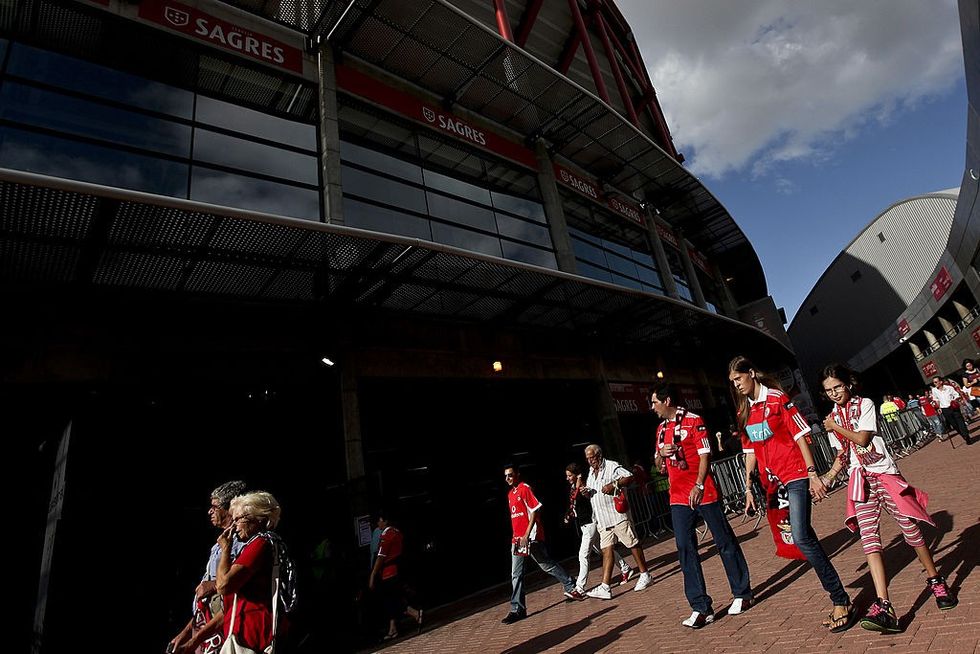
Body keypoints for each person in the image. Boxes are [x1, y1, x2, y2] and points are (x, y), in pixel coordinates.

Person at [819, 363, 956, 632]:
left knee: (910, 528)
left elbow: (862, 439)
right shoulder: (832, 416)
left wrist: (834, 426)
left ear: (848, 384)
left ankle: (936, 580)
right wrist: (826, 479)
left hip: (883, 473)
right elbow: (843, 454)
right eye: (828, 390)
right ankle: (884, 605)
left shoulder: (865, 405)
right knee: (869, 539)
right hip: (861, 480)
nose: (834, 393)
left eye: (837, 387)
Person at [729, 355, 854, 632]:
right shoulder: (743, 411)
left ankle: (840, 600)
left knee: (801, 536)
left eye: (738, 378)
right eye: (732, 381)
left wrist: (812, 474)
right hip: (772, 484)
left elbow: (800, 435)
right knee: (803, 537)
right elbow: (749, 451)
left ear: (751, 373)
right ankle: (840, 598)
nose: (736, 384)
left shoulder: (777, 398)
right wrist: (748, 488)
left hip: (795, 474)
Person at [651, 384, 752, 629]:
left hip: (703, 492)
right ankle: (700, 607)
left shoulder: (694, 421)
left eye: (654, 402)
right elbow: (657, 463)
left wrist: (698, 485)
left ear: (667, 401)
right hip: (678, 497)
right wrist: (661, 454)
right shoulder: (661, 429)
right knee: (685, 548)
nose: (652, 407)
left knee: (723, 540)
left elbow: (705, 455)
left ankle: (742, 593)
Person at [168, 480, 247, 654]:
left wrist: (193, 641)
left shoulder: (243, 544)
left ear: (230, 509)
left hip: (224, 633)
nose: (210, 511)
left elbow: (231, 600)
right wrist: (185, 634)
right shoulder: (219, 545)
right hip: (206, 629)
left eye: (215, 507)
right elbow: (204, 601)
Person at [501, 464, 584, 624]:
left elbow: (534, 510)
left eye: (510, 475)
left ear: (517, 474)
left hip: (530, 538)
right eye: (506, 476)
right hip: (517, 540)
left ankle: (570, 584)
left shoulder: (525, 489)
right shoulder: (510, 494)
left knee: (546, 565)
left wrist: (527, 534)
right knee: (516, 574)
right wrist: (518, 537)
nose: (508, 478)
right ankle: (517, 609)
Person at [217, 491, 296, 653]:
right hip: (250, 632)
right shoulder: (265, 543)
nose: (234, 526)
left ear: (258, 518)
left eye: (238, 519)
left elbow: (223, 585)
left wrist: (225, 549)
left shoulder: (260, 544)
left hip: (252, 635)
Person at [583, 444, 654, 599]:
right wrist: (586, 492)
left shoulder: (611, 466)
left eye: (592, 458)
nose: (590, 461)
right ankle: (605, 586)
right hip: (602, 519)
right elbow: (593, 492)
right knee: (606, 550)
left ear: (599, 455)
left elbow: (629, 477)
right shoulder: (591, 472)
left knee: (632, 543)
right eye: (587, 459)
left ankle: (645, 574)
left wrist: (614, 484)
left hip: (617, 515)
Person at [564, 463, 633, 594]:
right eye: (567, 476)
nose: (567, 478)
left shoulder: (584, 485)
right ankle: (625, 568)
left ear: (577, 475)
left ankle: (579, 588)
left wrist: (580, 483)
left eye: (570, 475)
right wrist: (569, 514)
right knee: (603, 549)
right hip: (583, 524)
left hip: (590, 523)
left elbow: (585, 496)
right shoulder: (573, 488)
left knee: (583, 555)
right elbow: (574, 504)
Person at [368, 512, 422, 640]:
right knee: (392, 598)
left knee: (392, 599)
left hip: (388, 572)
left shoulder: (386, 535)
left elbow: (381, 557)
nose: (378, 523)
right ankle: (393, 628)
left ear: (385, 521)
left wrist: (372, 575)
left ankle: (415, 613)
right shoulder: (397, 532)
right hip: (397, 569)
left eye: (379, 521)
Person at [931, 376, 974, 445]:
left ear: (941, 382)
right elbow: (936, 399)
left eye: (936, 382)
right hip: (945, 409)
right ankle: (963, 435)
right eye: (933, 382)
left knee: (960, 422)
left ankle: (966, 436)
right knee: (954, 425)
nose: (934, 384)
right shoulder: (934, 390)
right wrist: (938, 408)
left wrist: (955, 400)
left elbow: (956, 395)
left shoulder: (949, 388)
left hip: (953, 407)